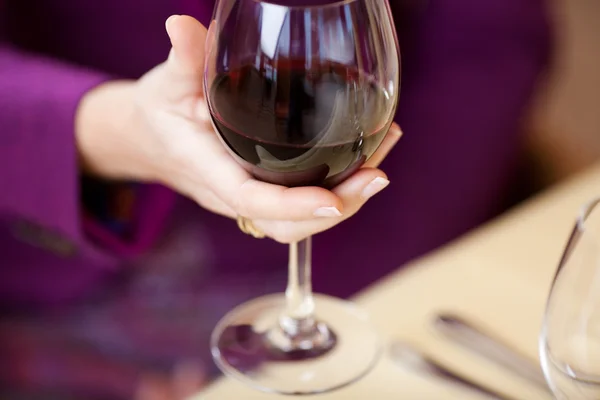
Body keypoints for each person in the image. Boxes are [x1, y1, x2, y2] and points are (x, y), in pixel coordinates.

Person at [0, 0, 551, 398]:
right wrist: (115, 128)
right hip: (50, 279)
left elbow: (490, 34)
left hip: (367, 243)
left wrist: (359, 278)